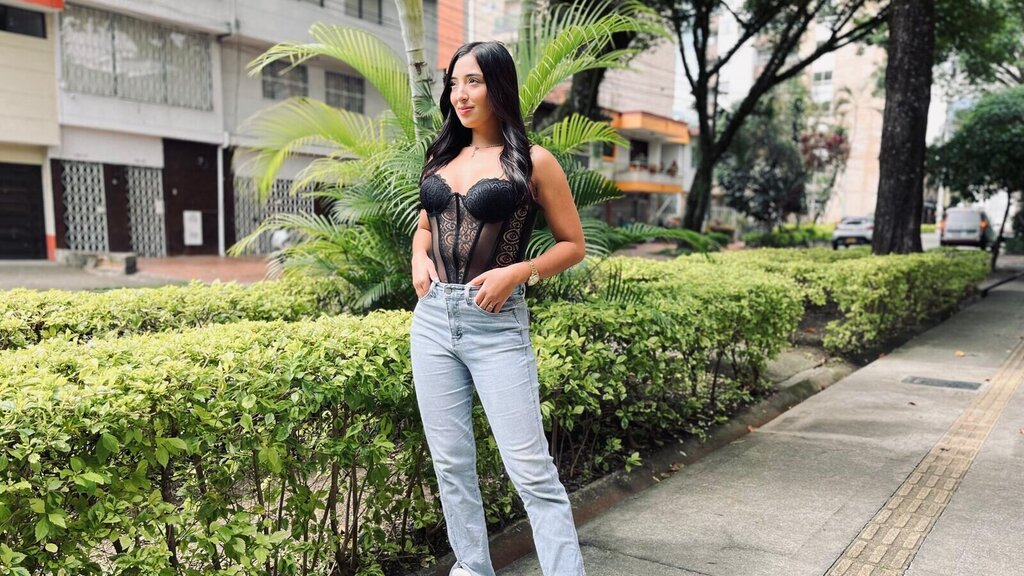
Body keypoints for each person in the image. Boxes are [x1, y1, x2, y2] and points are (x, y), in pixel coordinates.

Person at [409, 41, 587, 576]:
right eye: (454, 83)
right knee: (451, 465)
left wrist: (518, 272)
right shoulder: (441, 157)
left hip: (495, 325)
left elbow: (572, 245)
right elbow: (425, 225)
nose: (460, 95)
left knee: (531, 470)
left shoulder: (534, 162)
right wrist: (418, 257)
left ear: (499, 86)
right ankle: (472, 568)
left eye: (474, 82)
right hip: (434, 321)